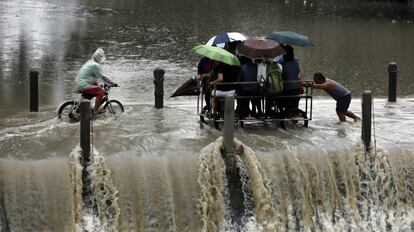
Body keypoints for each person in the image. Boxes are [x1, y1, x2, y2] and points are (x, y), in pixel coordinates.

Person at [75, 48, 117, 114]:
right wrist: (112, 83)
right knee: (101, 91)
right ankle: (95, 110)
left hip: (80, 84)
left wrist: (97, 85)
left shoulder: (89, 63)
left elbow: (92, 77)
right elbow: (103, 77)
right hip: (84, 85)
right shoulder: (95, 65)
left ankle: (87, 111)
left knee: (96, 90)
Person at [276, 44, 304, 111]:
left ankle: (282, 110)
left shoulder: (281, 64)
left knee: (276, 95)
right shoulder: (297, 62)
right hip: (297, 90)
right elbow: (299, 73)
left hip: (287, 90)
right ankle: (293, 109)